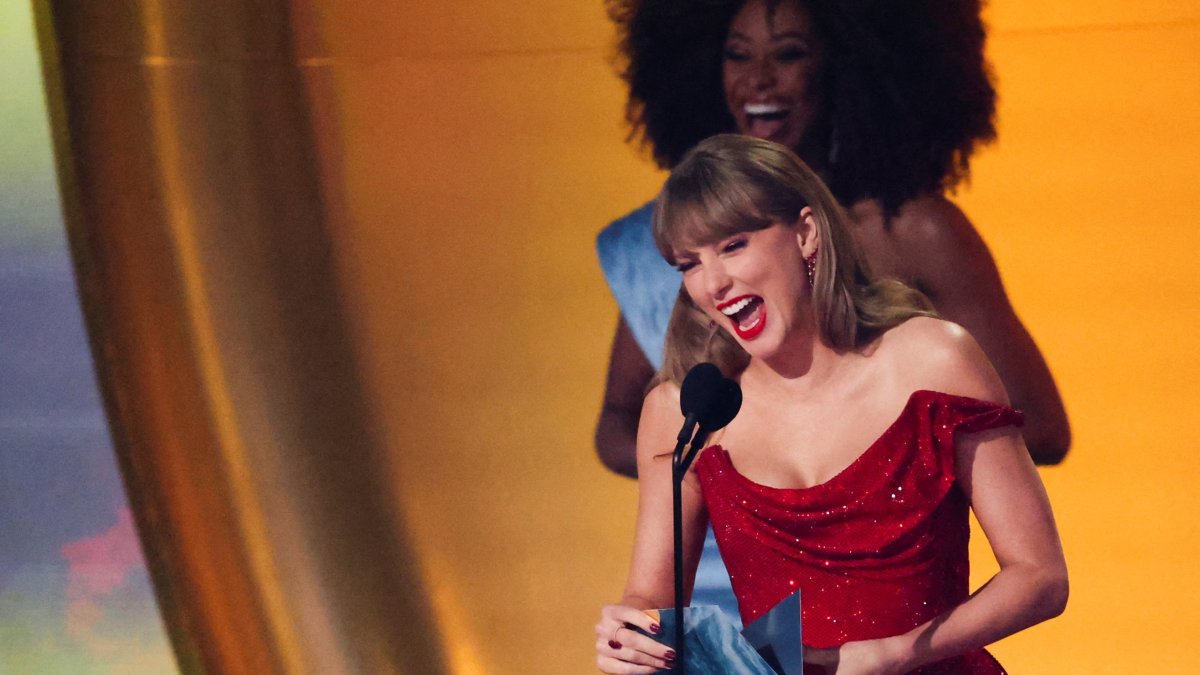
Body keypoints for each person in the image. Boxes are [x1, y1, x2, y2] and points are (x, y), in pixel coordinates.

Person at [594, 135, 1067, 674]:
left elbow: (1040, 577)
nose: (713, 283)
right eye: (688, 264)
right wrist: (629, 634)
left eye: (732, 246)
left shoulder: (932, 361)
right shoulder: (686, 409)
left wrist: (898, 651)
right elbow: (651, 600)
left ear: (805, 233)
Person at [595, 0, 1071, 481]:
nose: (758, 78)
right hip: (718, 552)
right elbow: (617, 424)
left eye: (788, 54)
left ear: (844, 66)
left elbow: (1042, 428)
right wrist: (724, 479)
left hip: (877, 544)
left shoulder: (913, 233)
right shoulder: (679, 244)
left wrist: (861, 465)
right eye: (738, 55)